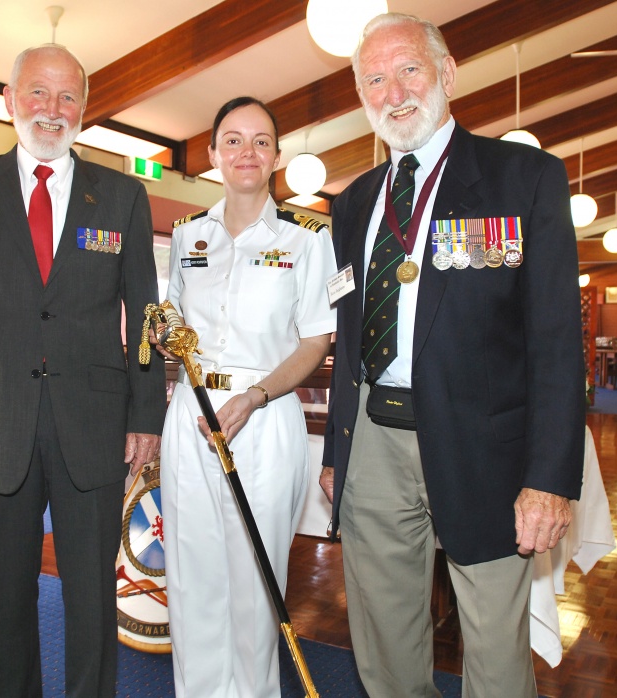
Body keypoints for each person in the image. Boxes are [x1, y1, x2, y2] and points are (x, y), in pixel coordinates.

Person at [320, 14, 586, 698]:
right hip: (372, 444)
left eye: (407, 69)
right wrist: (335, 457)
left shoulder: (521, 178)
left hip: (484, 445)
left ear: (446, 73)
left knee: (496, 654)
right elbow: (349, 331)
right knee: (382, 641)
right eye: (373, 79)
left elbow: (556, 340)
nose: (393, 92)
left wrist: (551, 478)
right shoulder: (351, 204)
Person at [0, 44, 166, 697]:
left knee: (91, 601)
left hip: (95, 426)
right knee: (4, 603)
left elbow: (144, 314)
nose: (50, 110)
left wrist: (146, 414)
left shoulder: (121, 196)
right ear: (9, 99)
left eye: (66, 97)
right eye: (37, 93)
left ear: (83, 109)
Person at [158, 96, 337, 697]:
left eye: (261, 141)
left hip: (263, 416)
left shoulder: (307, 237)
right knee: (192, 575)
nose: (247, 152)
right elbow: (174, 325)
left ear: (277, 156)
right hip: (192, 416)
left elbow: (316, 340)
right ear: (211, 153)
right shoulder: (187, 235)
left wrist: (257, 394)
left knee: (256, 580)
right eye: (232, 140)